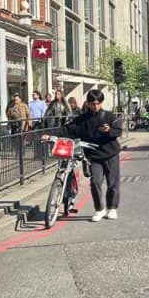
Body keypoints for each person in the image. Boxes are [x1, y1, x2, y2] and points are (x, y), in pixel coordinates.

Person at [43, 88, 123, 222]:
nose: (95, 106)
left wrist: (109, 130)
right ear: (88, 103)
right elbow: (68, 130)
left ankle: (112, 208)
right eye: (92, 103)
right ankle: (99, 209)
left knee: (112, 184)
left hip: (111, 154)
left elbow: (118, 131)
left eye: (98, 103)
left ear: (101, 102)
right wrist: (51, 135)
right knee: (95, 182)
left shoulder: (109, 116)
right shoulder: (82, 119)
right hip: (94, 156)